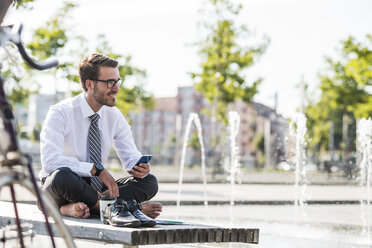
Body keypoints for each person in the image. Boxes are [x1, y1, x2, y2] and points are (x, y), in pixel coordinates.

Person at [39, 53, 162, 224]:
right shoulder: (60, 112)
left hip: (94, 190)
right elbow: (50, 162)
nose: (116, 88)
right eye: (110, 82)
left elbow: (130, 157)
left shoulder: (114, 115)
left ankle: (88, 207)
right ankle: (124, 208)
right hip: (62, 187)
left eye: (117, 81)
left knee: (149, 182)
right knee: (61, 176)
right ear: (89, 84)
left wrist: (139, 166)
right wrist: (96, 170)